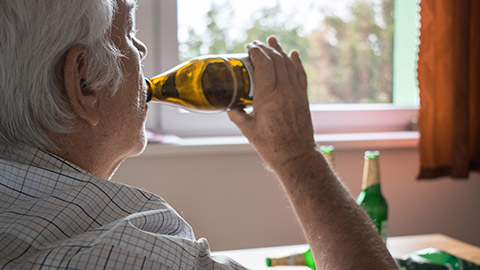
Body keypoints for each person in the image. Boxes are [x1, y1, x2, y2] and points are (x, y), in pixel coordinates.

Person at [0, 0, 397, 269]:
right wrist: (298, 157)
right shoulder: (131, 252)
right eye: (129, 32)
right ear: (84, 81)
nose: (141, 50)